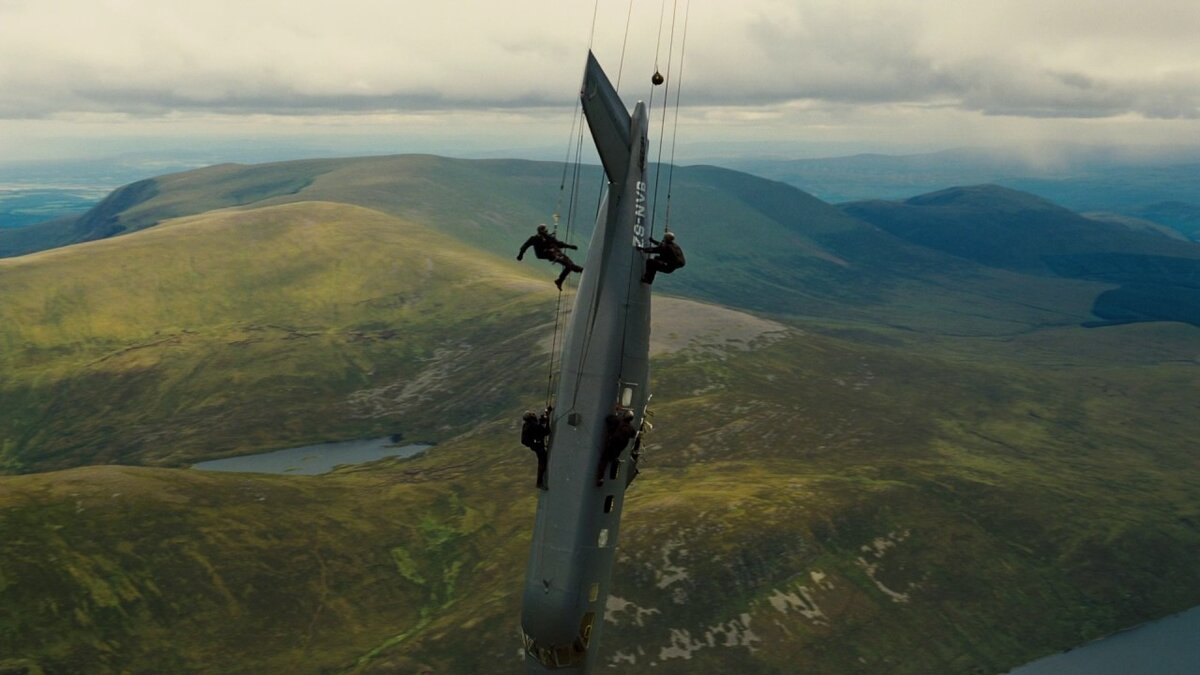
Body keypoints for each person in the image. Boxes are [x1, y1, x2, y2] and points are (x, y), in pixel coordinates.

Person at [517, 224, 584, 290]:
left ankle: (560, 280)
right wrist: (520, 254)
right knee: (568, 264)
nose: (546, 231)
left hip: (554, 253)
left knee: (569, 264)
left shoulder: (547, 237)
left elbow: (558, 244)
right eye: (545, 230)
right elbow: (525, 246)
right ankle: (580, 270)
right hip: (549, 254)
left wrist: (570, 246)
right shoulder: (535, 238)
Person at [597, 408, 637, 486]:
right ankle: (613, 475)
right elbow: (633, 434)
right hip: (619, 449)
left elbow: (608, 419)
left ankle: (600, 478)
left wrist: (618, 414)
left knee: (604, 460)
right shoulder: (631, 428)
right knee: (612, 459)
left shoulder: (617, 421)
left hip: (611, 445)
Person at [520, 407, 552, 490]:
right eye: (531, 414)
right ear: (531, 417)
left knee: (542, 460)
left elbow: (539, 423)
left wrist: (545, 416)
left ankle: (539, 482)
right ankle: (539, 483)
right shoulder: (533, 426)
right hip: (538, 446)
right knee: (542, 462)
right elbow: (546, 431)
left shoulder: (527, 425)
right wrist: (548, 419)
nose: (533, 414)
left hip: (535, 445)